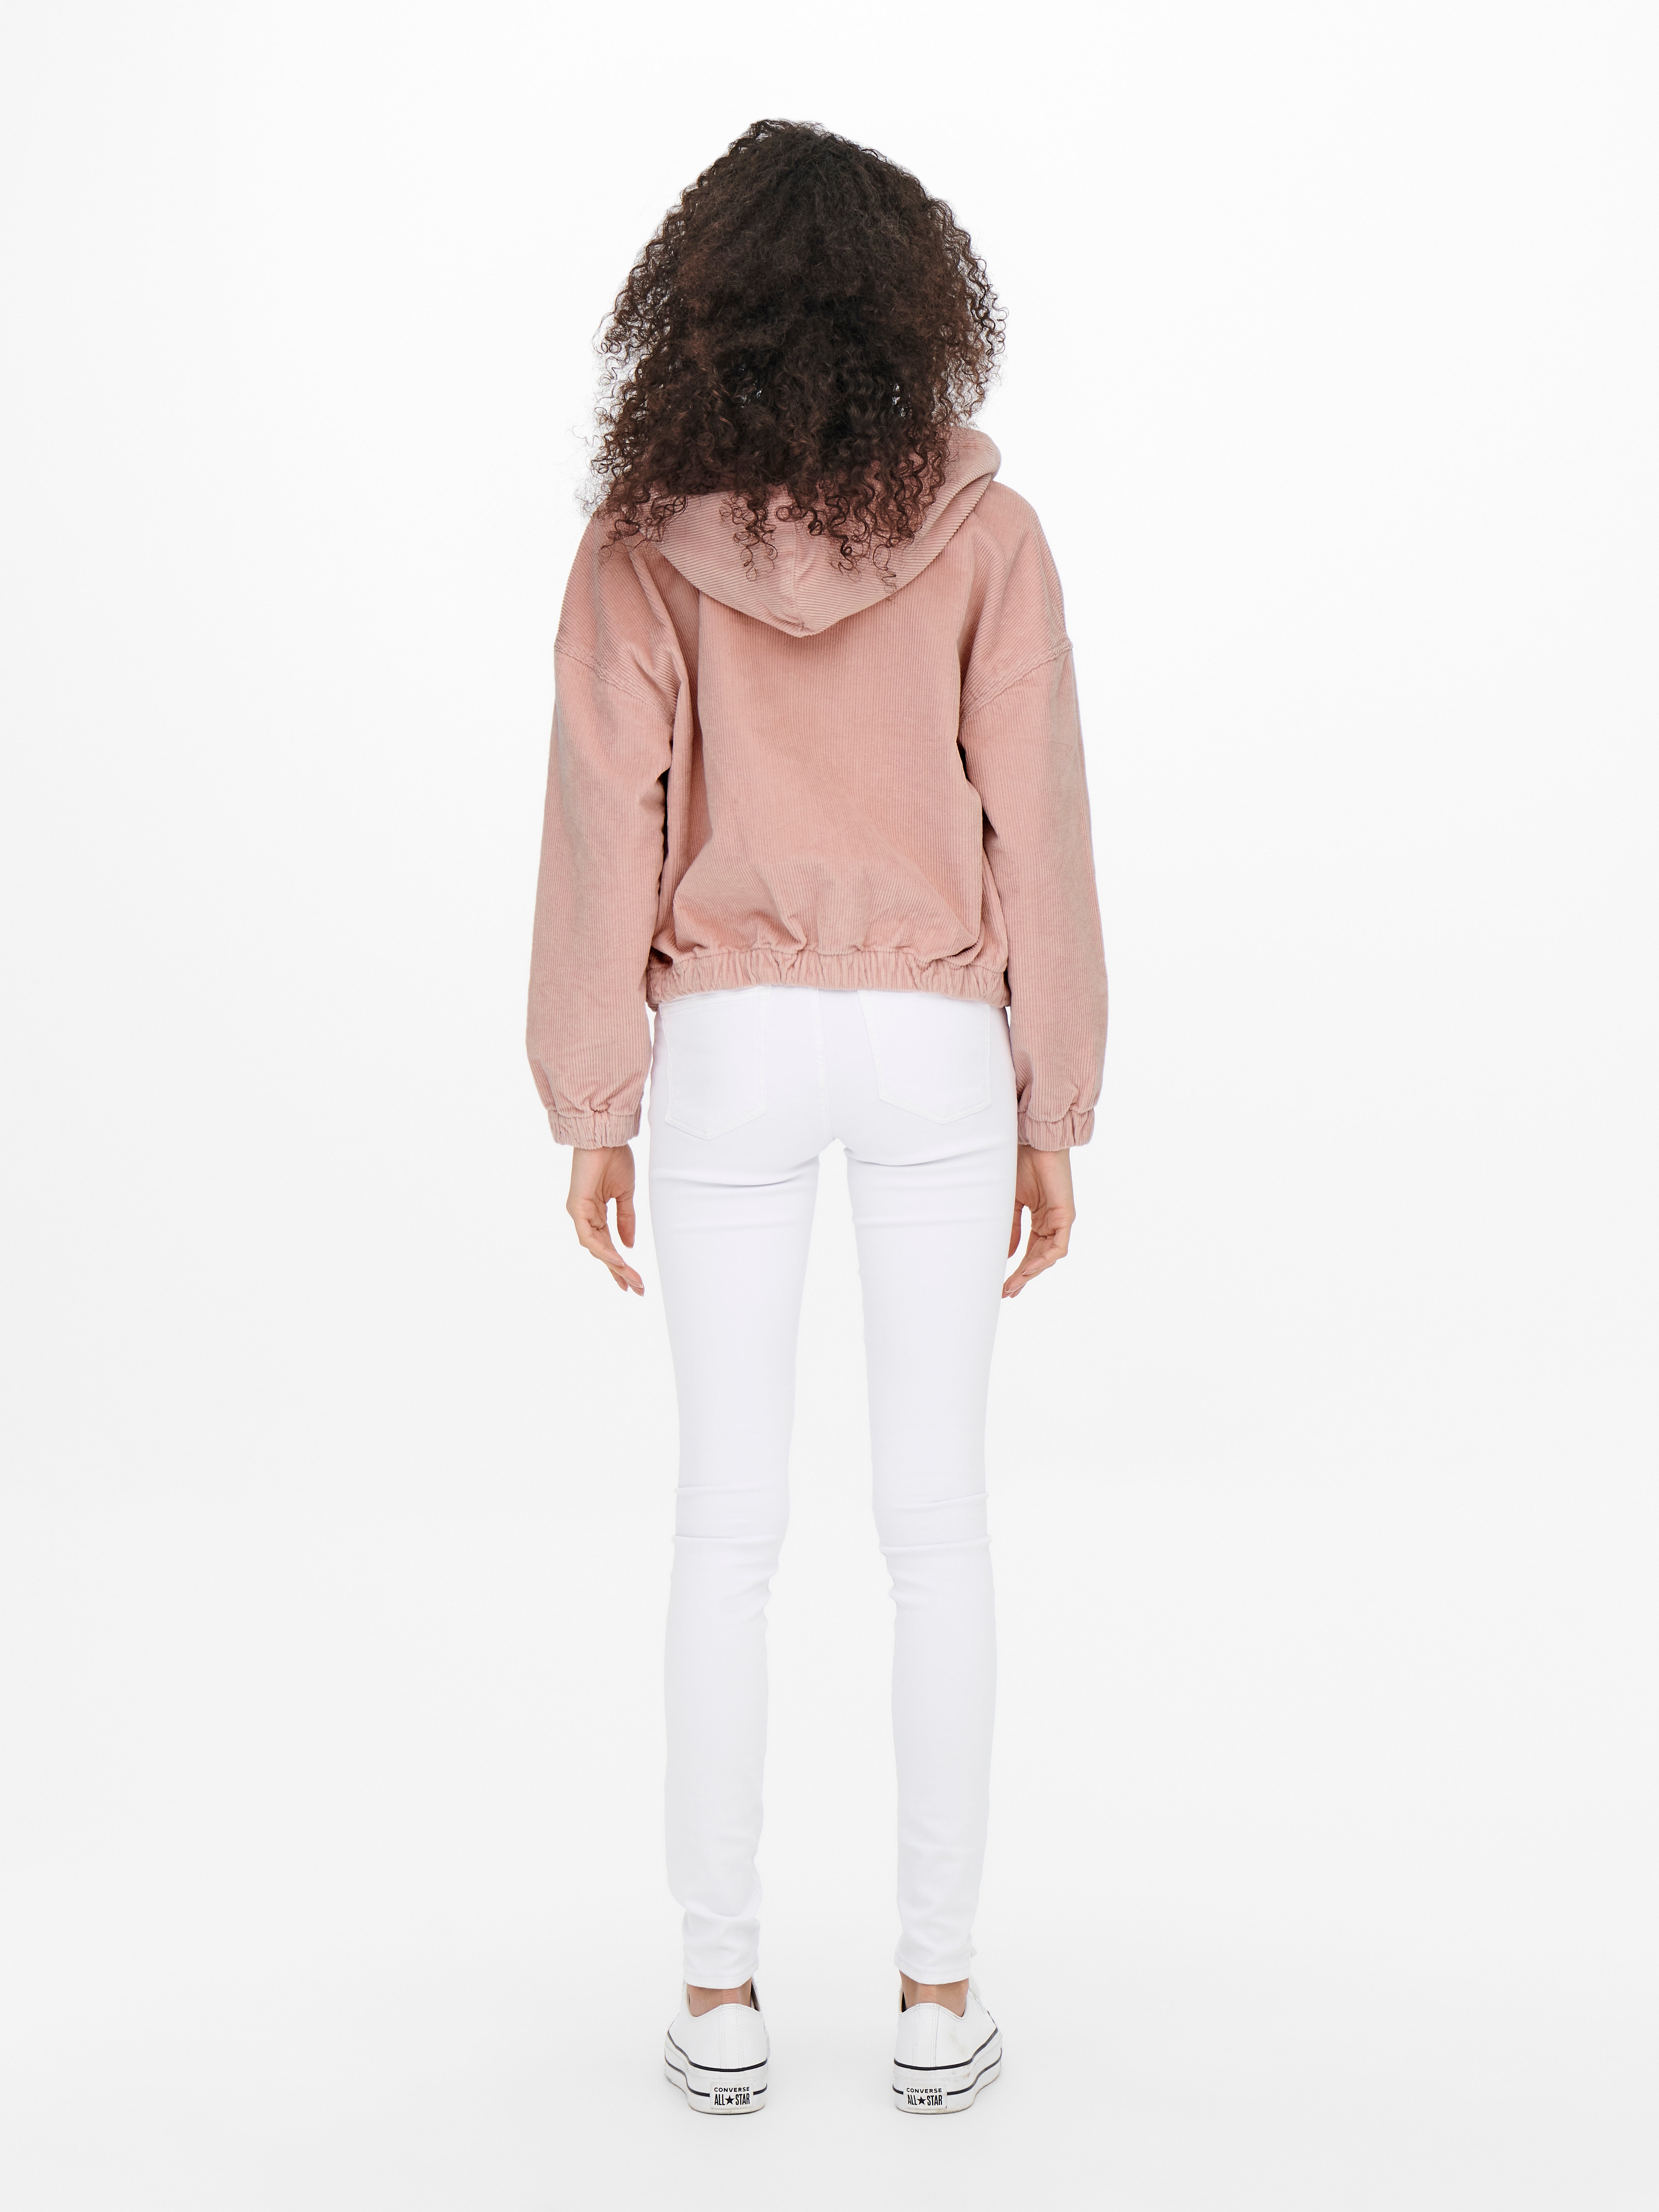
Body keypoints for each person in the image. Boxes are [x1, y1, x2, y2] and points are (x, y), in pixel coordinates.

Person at [527, 118, 1108, 2116]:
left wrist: (592, 1099)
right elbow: (1039, 824)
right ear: (913, 308)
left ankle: (720, 1995)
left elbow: (607, 822)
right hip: (939, 1042)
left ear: (697, 310)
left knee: (728, 1524)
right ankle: (939, 1994)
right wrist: (1056, 1099)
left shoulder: (640, 546)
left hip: (731, 1046)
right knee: (937, 1525)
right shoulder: (990, 537)